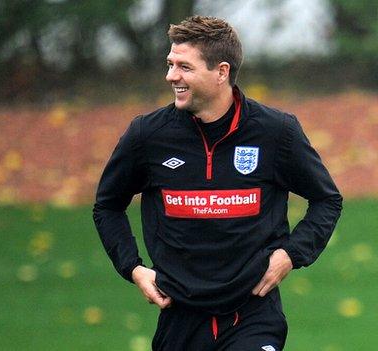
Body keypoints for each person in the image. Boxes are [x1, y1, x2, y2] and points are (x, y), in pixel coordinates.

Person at [93, 15, 342, 351]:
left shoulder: (276, 132)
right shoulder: (147, 135)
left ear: (221, 72)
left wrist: (291, 254)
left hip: (253, 315)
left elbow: (327, 199)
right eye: (170, 64)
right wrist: (134, 268)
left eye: (184, 67)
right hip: (179, 318)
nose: (171, 76)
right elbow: (108, 205)